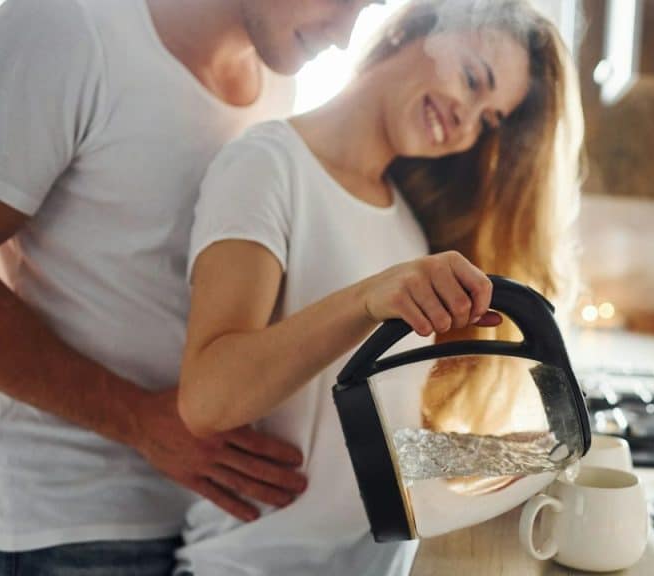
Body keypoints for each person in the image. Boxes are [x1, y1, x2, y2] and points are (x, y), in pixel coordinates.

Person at [0, 0, 380, 573]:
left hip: (211, 524)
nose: (346, 36)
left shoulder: (277, 81)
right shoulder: (65, 30)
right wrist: (139, 422)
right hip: (70, 527)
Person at [174, 0, 583, 573]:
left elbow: (375, 449)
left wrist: (525, 454)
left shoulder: (408, 227)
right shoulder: (267, 166)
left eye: (488, 118)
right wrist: (367, 298)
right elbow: (206, 399)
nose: (467, 119)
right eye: (472, 80)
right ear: (412, 31)